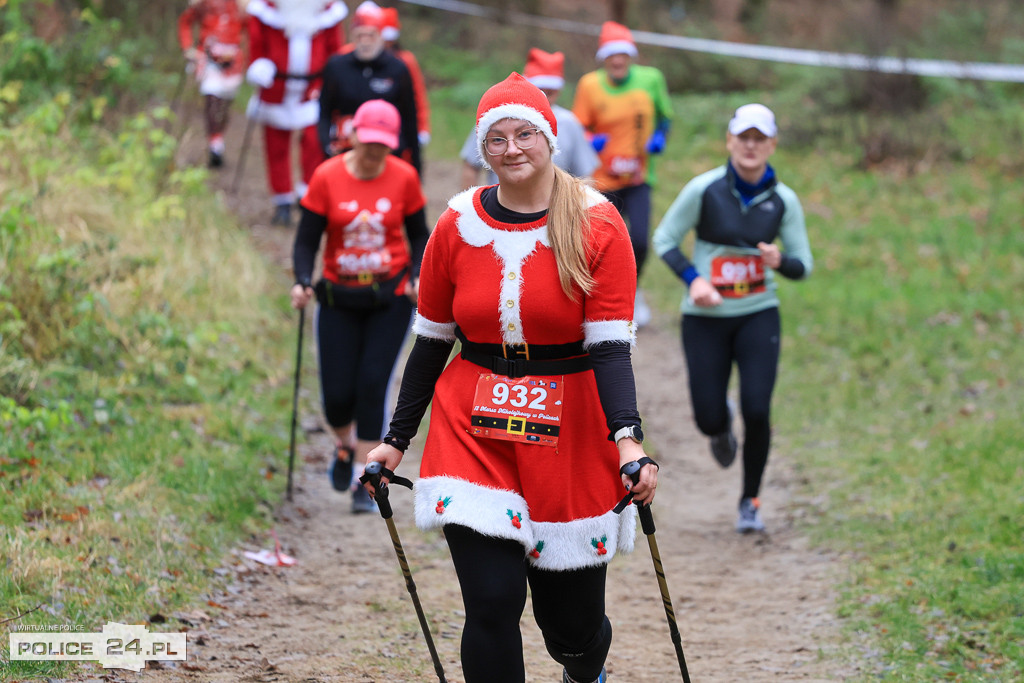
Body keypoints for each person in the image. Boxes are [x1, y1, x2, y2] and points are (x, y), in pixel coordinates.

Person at [365, 73, 659, 683]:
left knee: (571, 629)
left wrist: (628, 442)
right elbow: (431, 341)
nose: (511, 148)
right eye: (496, 139)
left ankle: (585, 668)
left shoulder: (598, 223)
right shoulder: (457, 223)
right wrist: (395, 439)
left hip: (569, 429)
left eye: (524, 134)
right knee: (492, 602)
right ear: (482, 149)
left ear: (549, 138)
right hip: (473, 424)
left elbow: (610, 349)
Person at [651, 103, 813, 533]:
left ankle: (750, 501)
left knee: (757, 408)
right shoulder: (704, 189)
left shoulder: (783, 200)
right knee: (708, 418)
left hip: (758, 314)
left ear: (772, 145)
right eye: (744, 137)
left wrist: (780, 261)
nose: (751, 146)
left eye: (760, 139)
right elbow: (664, 239)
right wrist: (694, 281)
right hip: (705, 317)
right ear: (729, 141)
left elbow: (803, 265)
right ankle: (720, 425)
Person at [291, 99, 428, 514]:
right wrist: (302, 279)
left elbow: (419, 236)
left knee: (372, 384)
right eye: (369, 141)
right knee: (337, 396)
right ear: (353, 135)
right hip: (338, 297)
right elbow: (306, 239)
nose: (375, 151)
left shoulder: (404, 177)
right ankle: (344, 445)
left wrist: (417, 275)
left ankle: (363, 477)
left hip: (390, 298)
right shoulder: (327, 176)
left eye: (383, 144)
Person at [572, 21, 673, 329]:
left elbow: (665, 117)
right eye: (611, 56)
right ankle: (596, 300)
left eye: (622, 55)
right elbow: (578, 128)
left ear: (631, 56)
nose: (617, 61)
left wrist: (660, 137)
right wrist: (592, 141)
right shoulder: (589, 85)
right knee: (599, 244)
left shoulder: (651, 79)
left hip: (639, 178)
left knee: (639, 241)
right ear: (603, 58)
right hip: (602, 181)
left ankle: (634, 291)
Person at [245, 0, 347, 226]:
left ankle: (307, 194)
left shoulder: (327, 9)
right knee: (276, 145)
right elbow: (256, 43)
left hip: (314, 88)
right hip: (276, 87)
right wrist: (259, 65)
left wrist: (335, 78)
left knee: (315, 142)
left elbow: (335, 49)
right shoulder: (266, 8)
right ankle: (282, 200)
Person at [460, 48, 598, 190]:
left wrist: (580, 202)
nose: (543, 98)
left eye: (549, 93)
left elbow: (585, 176)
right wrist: (472, 201)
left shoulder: (569, 123)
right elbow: (470, 166)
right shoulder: (497, 117)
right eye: (537, 91)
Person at [318, 1, 421, 174]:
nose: (365, 41)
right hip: (346, 150)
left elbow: (410, 117)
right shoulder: (336, 66)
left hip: (387, 152)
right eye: (360, 35)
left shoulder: (397, 68)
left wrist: (416, 164)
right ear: (352, 36)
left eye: (370, 35)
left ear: (381, 36)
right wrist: (326, 146)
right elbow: (324, 110)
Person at [177, 0, 246, 168]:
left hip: (233, 61)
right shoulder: (203, 4)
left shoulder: (241, 7)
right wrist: (188, 48)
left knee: (224, 105)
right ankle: (215, 144)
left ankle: (218, 137)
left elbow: (253, 30)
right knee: (212, 99)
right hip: (208, 59)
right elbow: (185, 21)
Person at [380, 6, 432, 150]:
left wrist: (422, 127)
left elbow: (418, 95)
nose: (386, 44)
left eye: (389, 39)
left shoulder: (406, 60)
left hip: (401, 129)